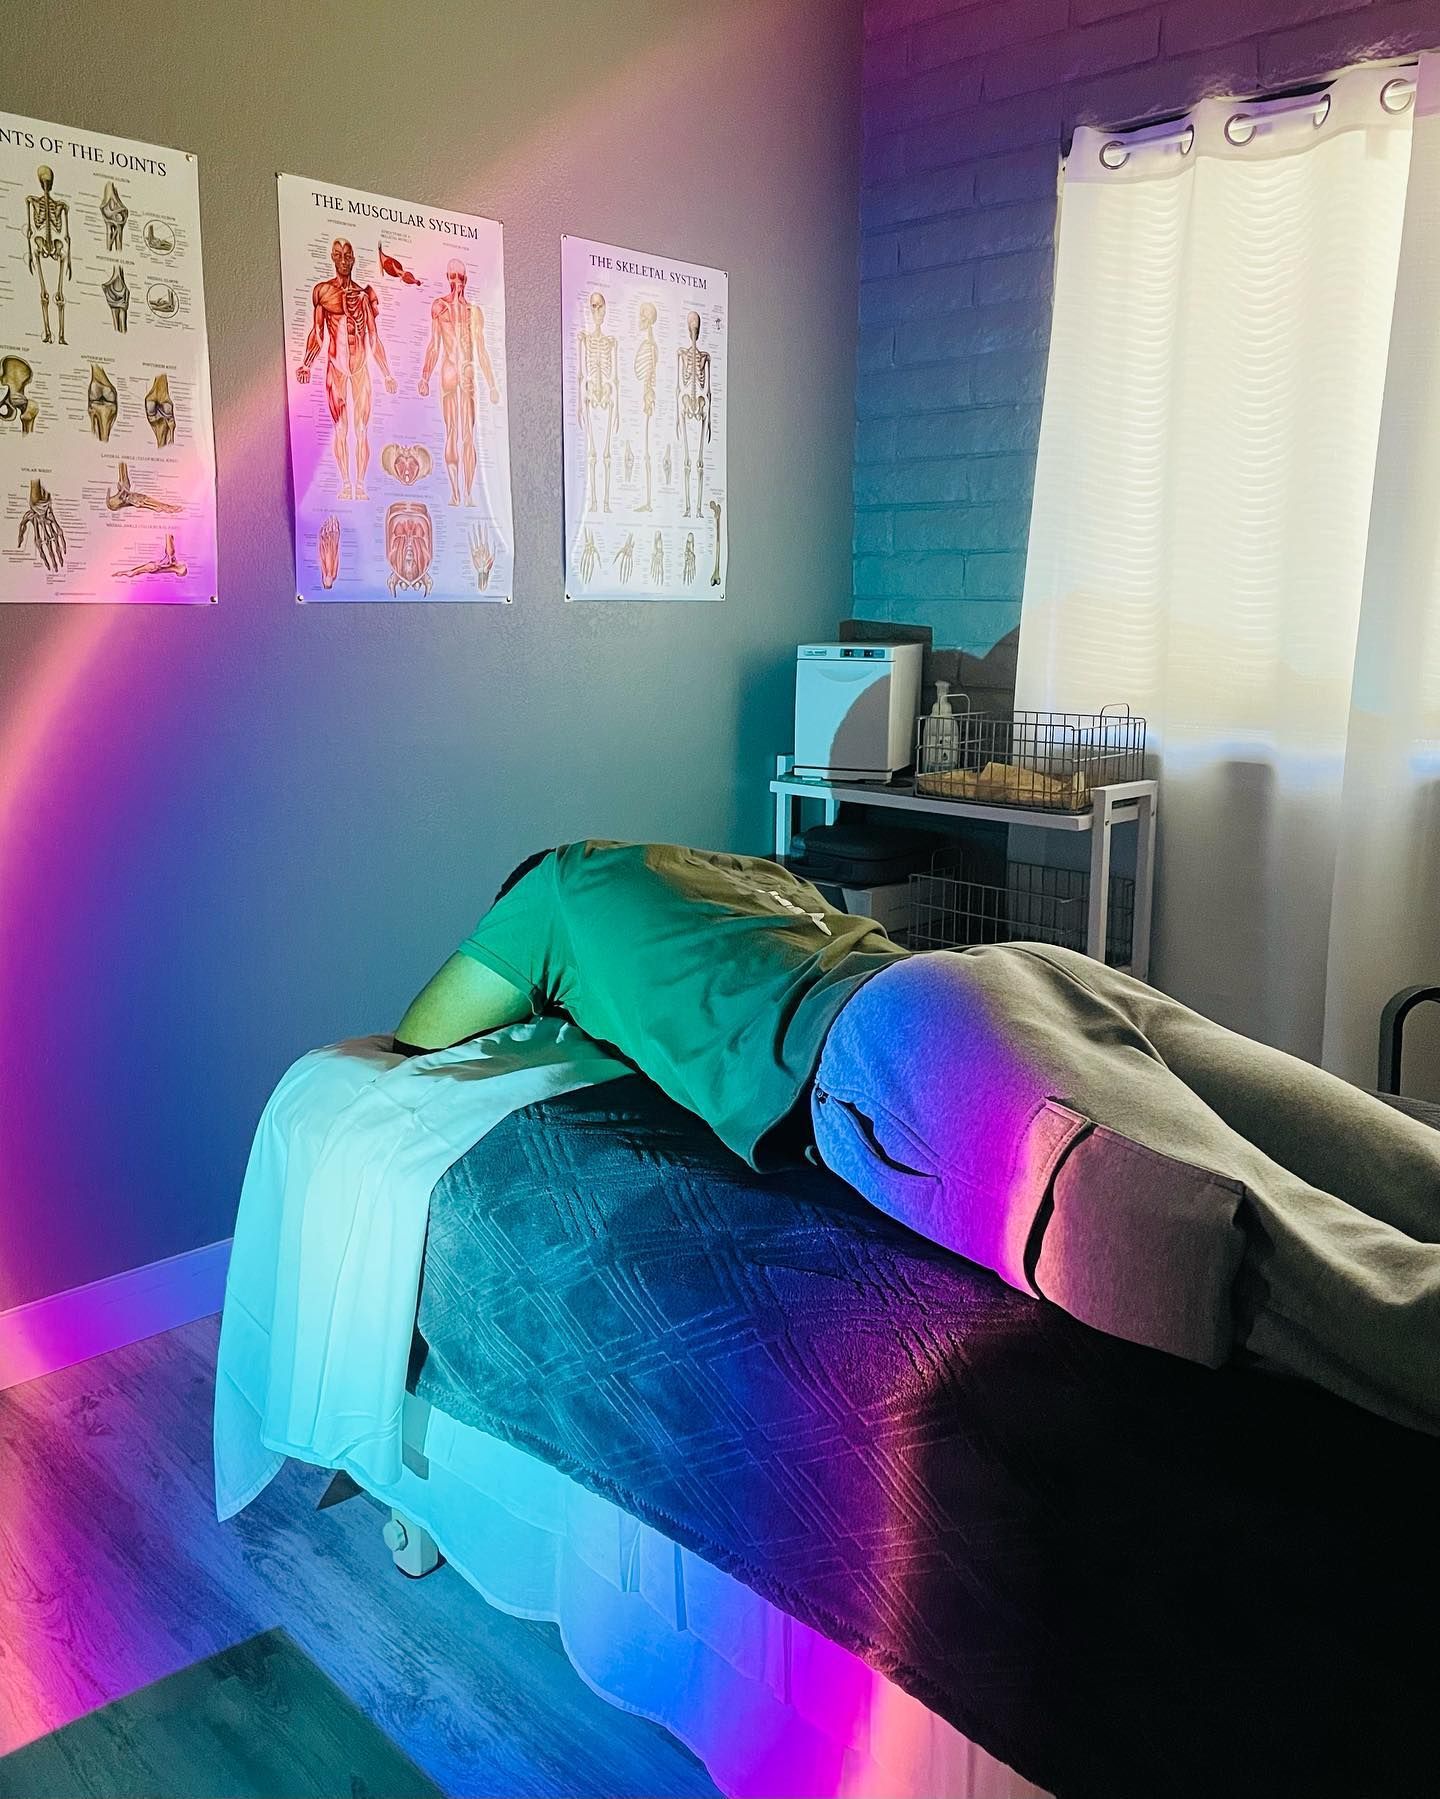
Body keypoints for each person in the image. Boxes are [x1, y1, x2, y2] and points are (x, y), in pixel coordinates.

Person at [396, 840, 1440, 1438]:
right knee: (1393, 1161)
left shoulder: (554, 885)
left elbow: (424, 1028)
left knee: (1232, 1254)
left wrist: (565, 998)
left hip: (909, 1044)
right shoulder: (723, 868)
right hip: (1025, 972)